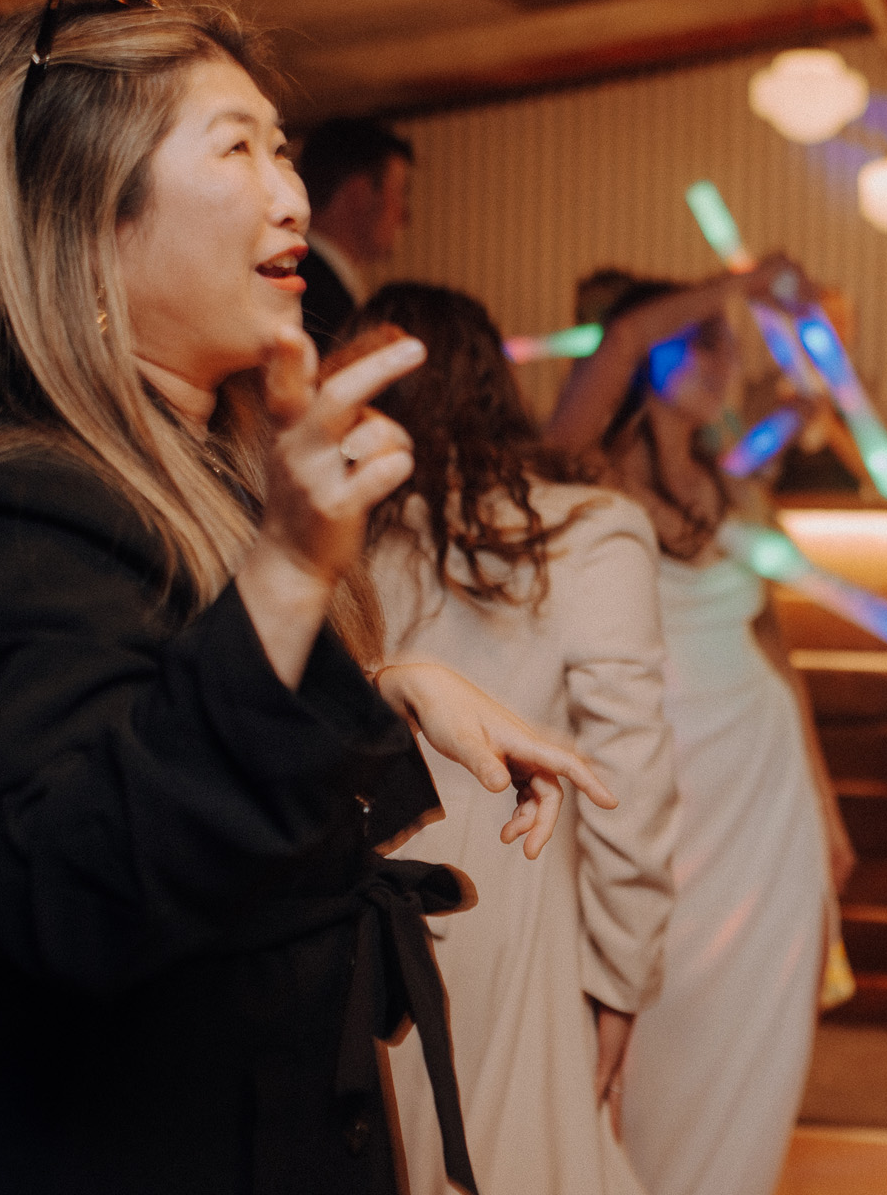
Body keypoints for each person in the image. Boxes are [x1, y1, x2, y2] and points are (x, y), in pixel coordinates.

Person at [0, 0, 610, 1194]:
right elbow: (77, 890)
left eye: (286, 150)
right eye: (239, 149)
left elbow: (158, 705)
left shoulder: (189, 465)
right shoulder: (2, 507)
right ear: (90, 221)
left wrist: (387, 684)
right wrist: (285, 569)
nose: (294, 195)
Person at [355, 284, 679, 1195]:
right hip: (507, 891)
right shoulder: (589, 531)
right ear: (498, 384)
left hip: (354, 892)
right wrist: (622, 973)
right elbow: (628, 781)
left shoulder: (313, 536)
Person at [547, 269, 852, 1195]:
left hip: (763, 784)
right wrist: (741, 281)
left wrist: (826, 803)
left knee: (754, 1020)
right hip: (656, 772)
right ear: (653, 348)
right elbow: (614, 347)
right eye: (707, 339)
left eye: (730, 338)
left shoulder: (737, 487)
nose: (727, 359)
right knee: (652, 1006)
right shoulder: (585, 470)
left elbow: (777, 652)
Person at [294, 116, 413, 349]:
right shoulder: (311, 294)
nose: (405, 215)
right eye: (399, 193)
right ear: (360, 195)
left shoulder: (320, 280)